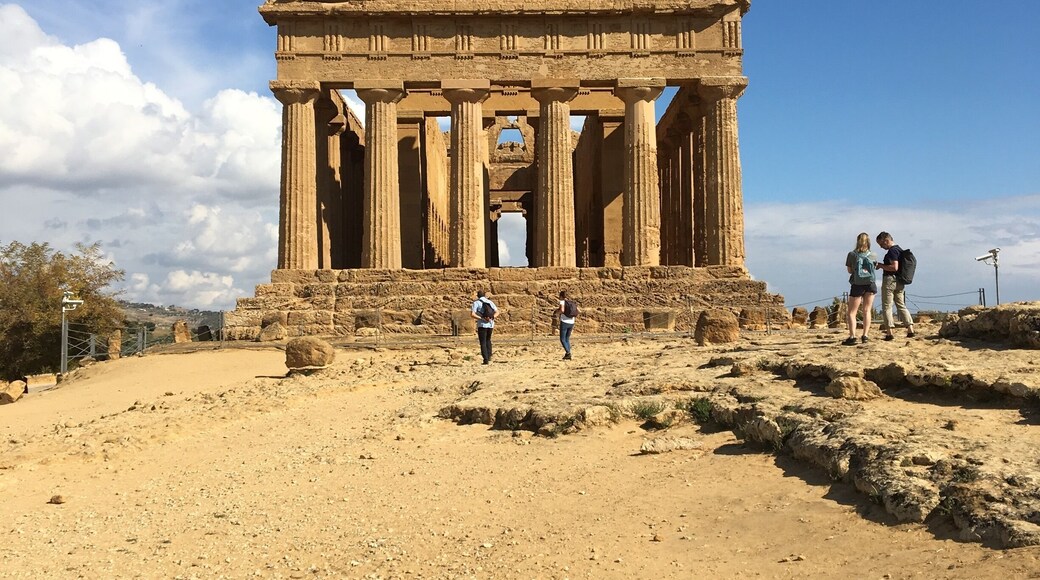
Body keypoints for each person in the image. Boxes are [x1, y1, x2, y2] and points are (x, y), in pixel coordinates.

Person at [875, 231, 916, 340]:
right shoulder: (899, 250)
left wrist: (881, 265)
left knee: (887, 306)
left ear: (886, 240)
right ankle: (910, 329)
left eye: (881, 244)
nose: (881, 247)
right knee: (901, 304)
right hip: (900, 281)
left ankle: (890, 332)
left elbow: (894, 267)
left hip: (890, 280)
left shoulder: (892, 252)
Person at [843, 232, 878, 346]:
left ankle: (852, 336)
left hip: (857, 284)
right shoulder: (873, 254)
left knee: (852, 312)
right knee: (867, 310)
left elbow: (849, 270)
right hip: (870, 284)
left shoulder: (852, 254)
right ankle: (865, 335)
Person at [470, 290, 498, 365]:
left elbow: (472, 314)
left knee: (483, 342)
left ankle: (485, 359)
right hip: (490, 324)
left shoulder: (476, 303)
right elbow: (497, 312)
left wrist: (481, 318)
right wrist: (492, 318)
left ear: (478, 296)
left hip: (482, 324)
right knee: (488, 340)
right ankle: (489, 356)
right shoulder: (490, 302)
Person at [557, 290, 575, 360]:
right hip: (572, 321)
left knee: (562, 339)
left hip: (564, 322)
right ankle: (568, 353)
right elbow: (579, 311)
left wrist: (557, 313)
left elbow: (562, 310)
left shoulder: (562, 301)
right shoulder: (572, 302)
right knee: (567, 339)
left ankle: (568, 353)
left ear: (561, 296)